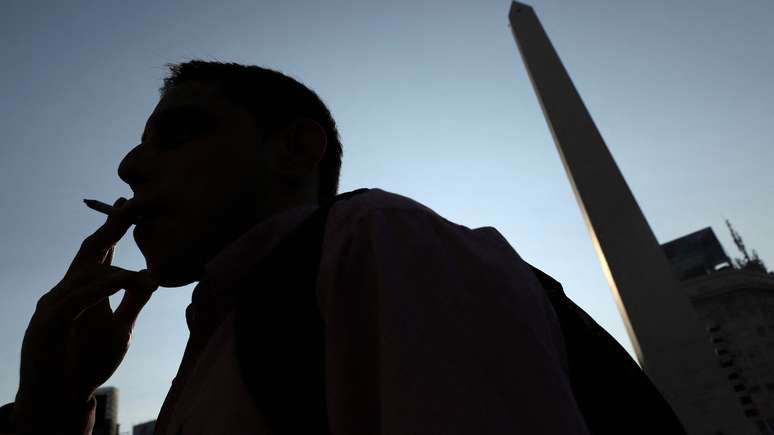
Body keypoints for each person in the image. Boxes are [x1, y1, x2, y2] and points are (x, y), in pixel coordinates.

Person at [0, 60, 590, 434]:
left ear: (295, 150)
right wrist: (51, 407)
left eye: (176, 135)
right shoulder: (228, 328)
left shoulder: (373, 238)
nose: (129, 168)